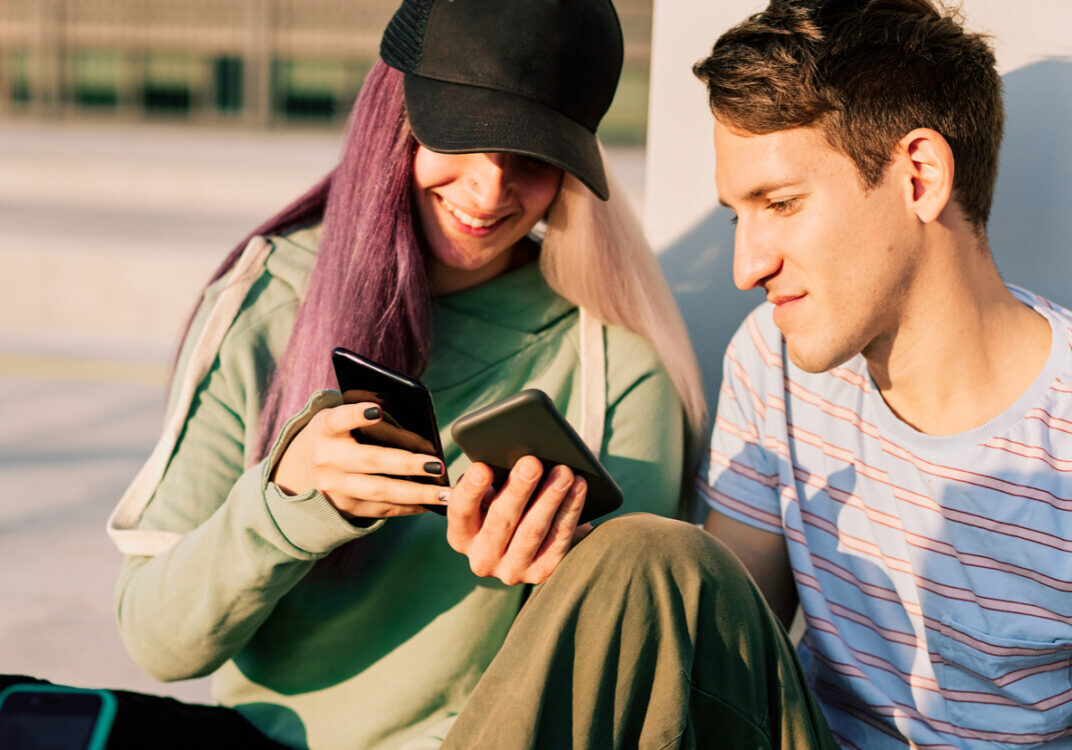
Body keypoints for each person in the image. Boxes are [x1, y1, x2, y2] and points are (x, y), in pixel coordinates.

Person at [42, 0, 705, 748]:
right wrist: (289, 499)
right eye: (462, 136)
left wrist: (551, 574)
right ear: (393, 117)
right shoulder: (271, 294)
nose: (489, 191)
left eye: (533, 158)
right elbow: (159, 642)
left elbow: (619, 680)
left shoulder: (616, 364)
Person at [409, 0, 1072, 748]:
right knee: (642, 559)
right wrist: (585, 578)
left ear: (919, 177)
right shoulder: (772, 355)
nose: (746, 267)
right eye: (738, 216)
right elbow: (714, 630)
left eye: (781, 204)